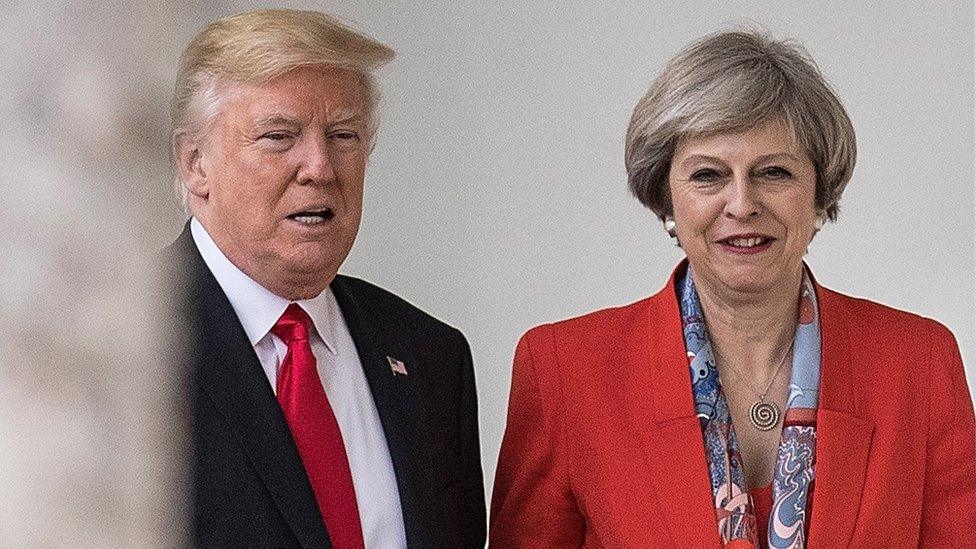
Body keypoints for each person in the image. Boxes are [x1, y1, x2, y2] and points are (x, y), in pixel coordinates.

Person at [490, 30, 975, 548]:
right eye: (707, 175)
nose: (742, 204)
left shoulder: (919, 363)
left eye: (774, 172)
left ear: (818, 197)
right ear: (667, 201)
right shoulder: (564, 371)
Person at [165, 9, 485, 548]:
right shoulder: (123, 350)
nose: (319, 166)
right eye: (278, 136)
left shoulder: (430, 356)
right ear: (196, 164)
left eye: (343, 135)